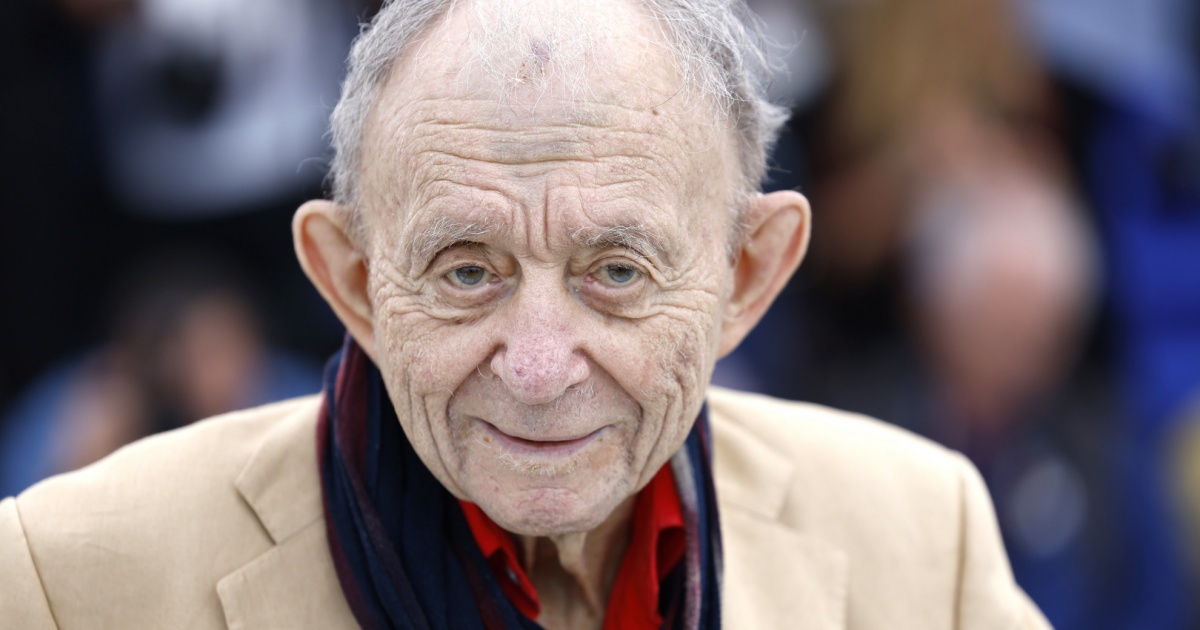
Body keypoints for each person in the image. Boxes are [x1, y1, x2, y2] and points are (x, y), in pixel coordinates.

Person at [0, 0, 1050, 628]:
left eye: (617, 272)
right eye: (467, 272)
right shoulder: (67, 579)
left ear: (745, 277)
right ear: (354, 282)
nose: (539, 369)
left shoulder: (925, 538)